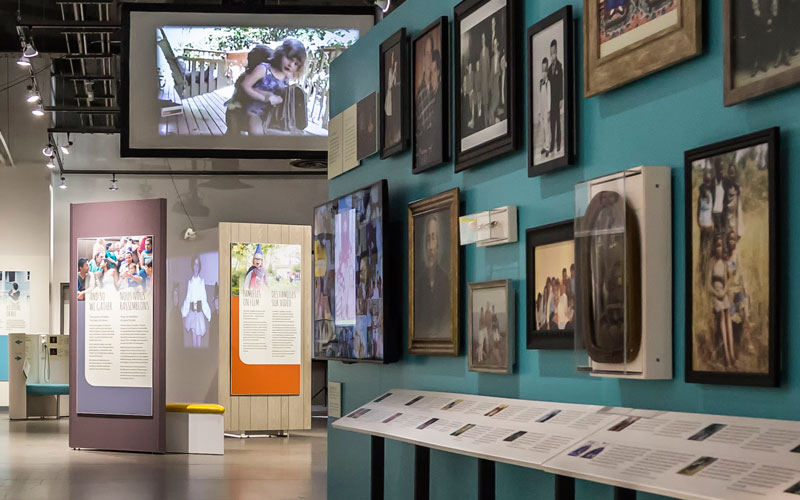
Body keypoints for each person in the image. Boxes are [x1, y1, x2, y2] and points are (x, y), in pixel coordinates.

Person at [232, 40, 307, 136]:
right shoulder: (264, 69)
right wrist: (264, 98)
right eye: (289, 59)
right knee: (256, 132)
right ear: (281, 53)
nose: (290, 65)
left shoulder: (286, 77)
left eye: (296, 64)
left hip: (272, 115)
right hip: (254, 111)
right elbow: (245, 85)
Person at [415, 214, 450, 338]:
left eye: (433, 238)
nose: (430, 247)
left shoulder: (446, 281)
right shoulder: (418, 282)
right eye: (428, 239)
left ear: (439, 243)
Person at [710, 235, 735, 367]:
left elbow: (727, 280)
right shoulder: (712, 262)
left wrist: (724, 292)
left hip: (723, 294)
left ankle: (732, 355)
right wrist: (716, 293)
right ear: (714, 247)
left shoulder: (724, 263)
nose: (719, 248)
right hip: (716, 295)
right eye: (717, 245)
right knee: (722, 321)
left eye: (721, 245)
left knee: (728, 321)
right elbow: (708, 284)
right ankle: (726, 355)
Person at [181, 257, 211, 348]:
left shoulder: (201, 282)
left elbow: (204, 299)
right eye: (195, 264)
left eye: (198, 265)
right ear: (192, 266)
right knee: (194, 341)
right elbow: (188, 297)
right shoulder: (190, 282)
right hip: (191, 313)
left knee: (198, 341)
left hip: (199, 313)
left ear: (199, 267)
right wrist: (183, 312)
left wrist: (208, 314)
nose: (196, 267)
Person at [547, 39, 564, 155]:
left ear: (556, 52)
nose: (552, 55)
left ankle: (558, 143)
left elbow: (561, 84)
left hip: (557, 98)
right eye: (551, 52)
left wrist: (561, 98)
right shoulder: (548, 70)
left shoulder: (559, 66)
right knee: (552, 122)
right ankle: (552, 144)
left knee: (558, 121)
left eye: (554, 52)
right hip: (550, 100)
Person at [697, 169, 715, 277]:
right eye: (706, 181)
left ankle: (708, 272)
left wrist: (712, 223)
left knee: (709, 251)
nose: (708, 184)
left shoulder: (712, 194)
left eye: (709, 181)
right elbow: (697, 211)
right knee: (703, 250)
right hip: (703, 226)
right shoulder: (701, 195)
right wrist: (699, 224)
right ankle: (702, 272)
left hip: (709, 226)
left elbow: (712, 211)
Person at [538, 57, 551, 158]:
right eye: (543, 71)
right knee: (542, 128)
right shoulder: (540, 83)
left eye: (545, 71)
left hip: (546, 108)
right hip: (541, 109)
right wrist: (539, 110)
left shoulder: (548, 83)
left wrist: (548, 110)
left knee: (547, 128)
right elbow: (539, 97)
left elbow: (549, 97)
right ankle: (543, 146)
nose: (544, 73)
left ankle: (548, 147)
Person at [724, 165, 742, 237]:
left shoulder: (738, 188)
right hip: (726, 220)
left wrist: (739, 227)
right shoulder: (725, 186)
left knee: (734, 243)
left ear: (735, 174)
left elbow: (739, 208)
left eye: (733, 173)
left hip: (734, 219)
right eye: (730, 173)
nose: (731, 175)